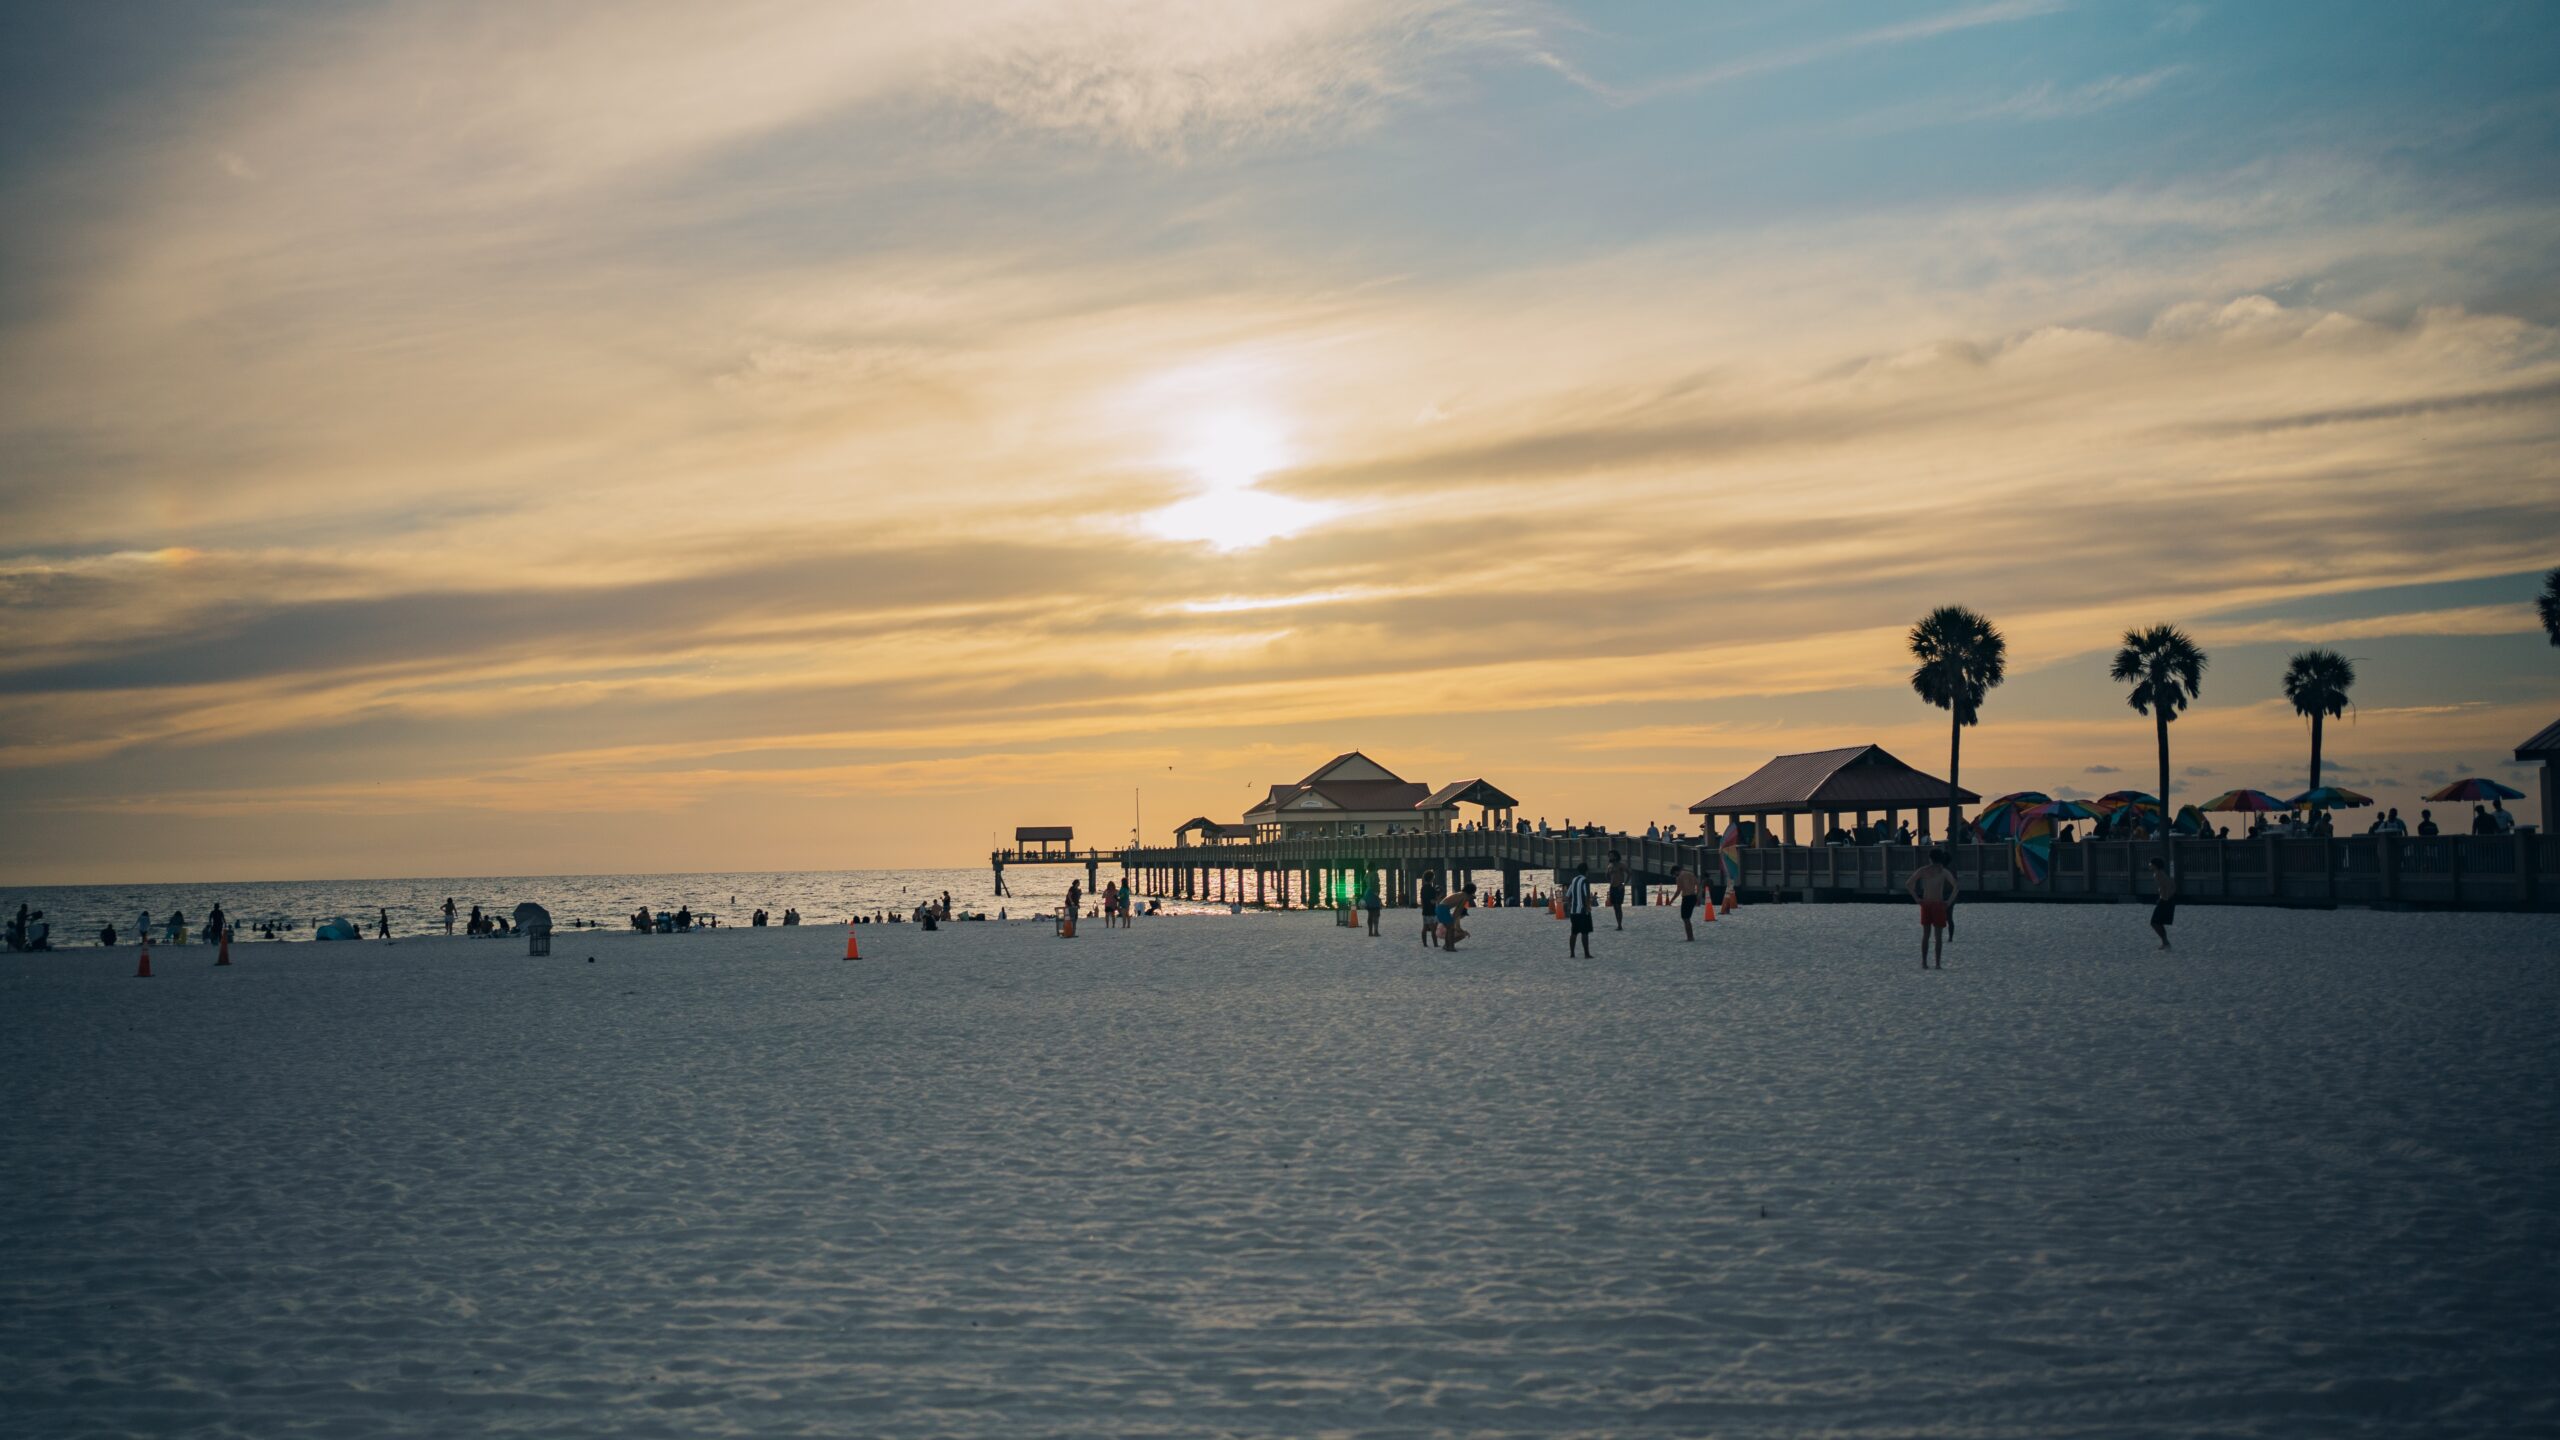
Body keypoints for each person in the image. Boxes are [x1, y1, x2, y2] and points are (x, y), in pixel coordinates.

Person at [1906, 848, 1958, 968]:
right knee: (1938, 937)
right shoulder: (1943, 871)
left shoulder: (1924, 870)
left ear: (1930, 858)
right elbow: (1956, 886)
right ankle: (1937, 964)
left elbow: (1908, 884)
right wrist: (1949, 902)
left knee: (1926, 935)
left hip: (1926, 903)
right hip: (1938, 904)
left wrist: (1917, 898)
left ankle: (1924, 962)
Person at [1563, 864, 1595, 957]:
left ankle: (1572, 953)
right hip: (1582, 911)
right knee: (1585, 932)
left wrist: (1570, 906)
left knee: (1574, 932)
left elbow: (1568, 895)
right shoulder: (1585, 881)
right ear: (1586, 871)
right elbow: (1587, 896)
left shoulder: (1574, 880)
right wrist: (1588, 907)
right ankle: (1586, 953)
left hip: (1574, 911)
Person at [2148, 857, 2178, 950]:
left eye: (2151, 864)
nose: (2149, 865)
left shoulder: (2158, 874)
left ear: (2155, 865)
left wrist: (2164, 898)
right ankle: (2165, 942)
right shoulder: (2159, 873)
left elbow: (2168, 886)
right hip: (2166, 899)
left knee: (2154, 922)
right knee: (2158, 922)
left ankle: (2165, 942)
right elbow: (2168, 885)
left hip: (2166, 900)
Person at [1673, 863, 1704, 941]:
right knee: (1687, 918)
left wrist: (1672, 900)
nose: (1675, 876)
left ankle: (1690, 937)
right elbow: (1699, 886)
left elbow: (1678, 890)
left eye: (1674, 874)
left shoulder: (1679, 877)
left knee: (1685, 918)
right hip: (1693, 897)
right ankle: (1690, 936)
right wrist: (1698, 898)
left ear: (1676, 871)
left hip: (1686, 898)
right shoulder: (1691, 874)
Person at [1440, 883, 1475, 951]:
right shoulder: (1465, 897)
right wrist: (1454, 919)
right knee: (1451, 929)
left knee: (1449, 929)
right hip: (1443, 909)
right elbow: (1458, 909)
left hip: (1439, 908)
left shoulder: (1461, 894)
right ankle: (1451, 947)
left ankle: (1447, 946)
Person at [1605, 850, 1628, 930]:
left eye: (1611, 855)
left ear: (1615, 856)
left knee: (1619, 906)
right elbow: (1607, 875)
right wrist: (1610, 882)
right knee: (1615, 907)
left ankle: (1620, 925)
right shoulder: (1609, 865)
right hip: (1612, 887)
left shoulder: (1621, 865)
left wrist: (1624, 884)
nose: (1610, 857)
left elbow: (1629, 873)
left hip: (1619, 887)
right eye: (1609, 855)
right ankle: (1618, 924)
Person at [1418, 874, 1443, 948]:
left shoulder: (1423, 888)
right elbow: (1433, 901)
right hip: (1431, 910)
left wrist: (1423, 907)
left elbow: (1422, 900)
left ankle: (1425, 944)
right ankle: (1435, 944)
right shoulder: (1431, 889)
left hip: (1425, 910)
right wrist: (1439, 896)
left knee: (1425, 928)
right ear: (1431, 879)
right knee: (1433, 928)